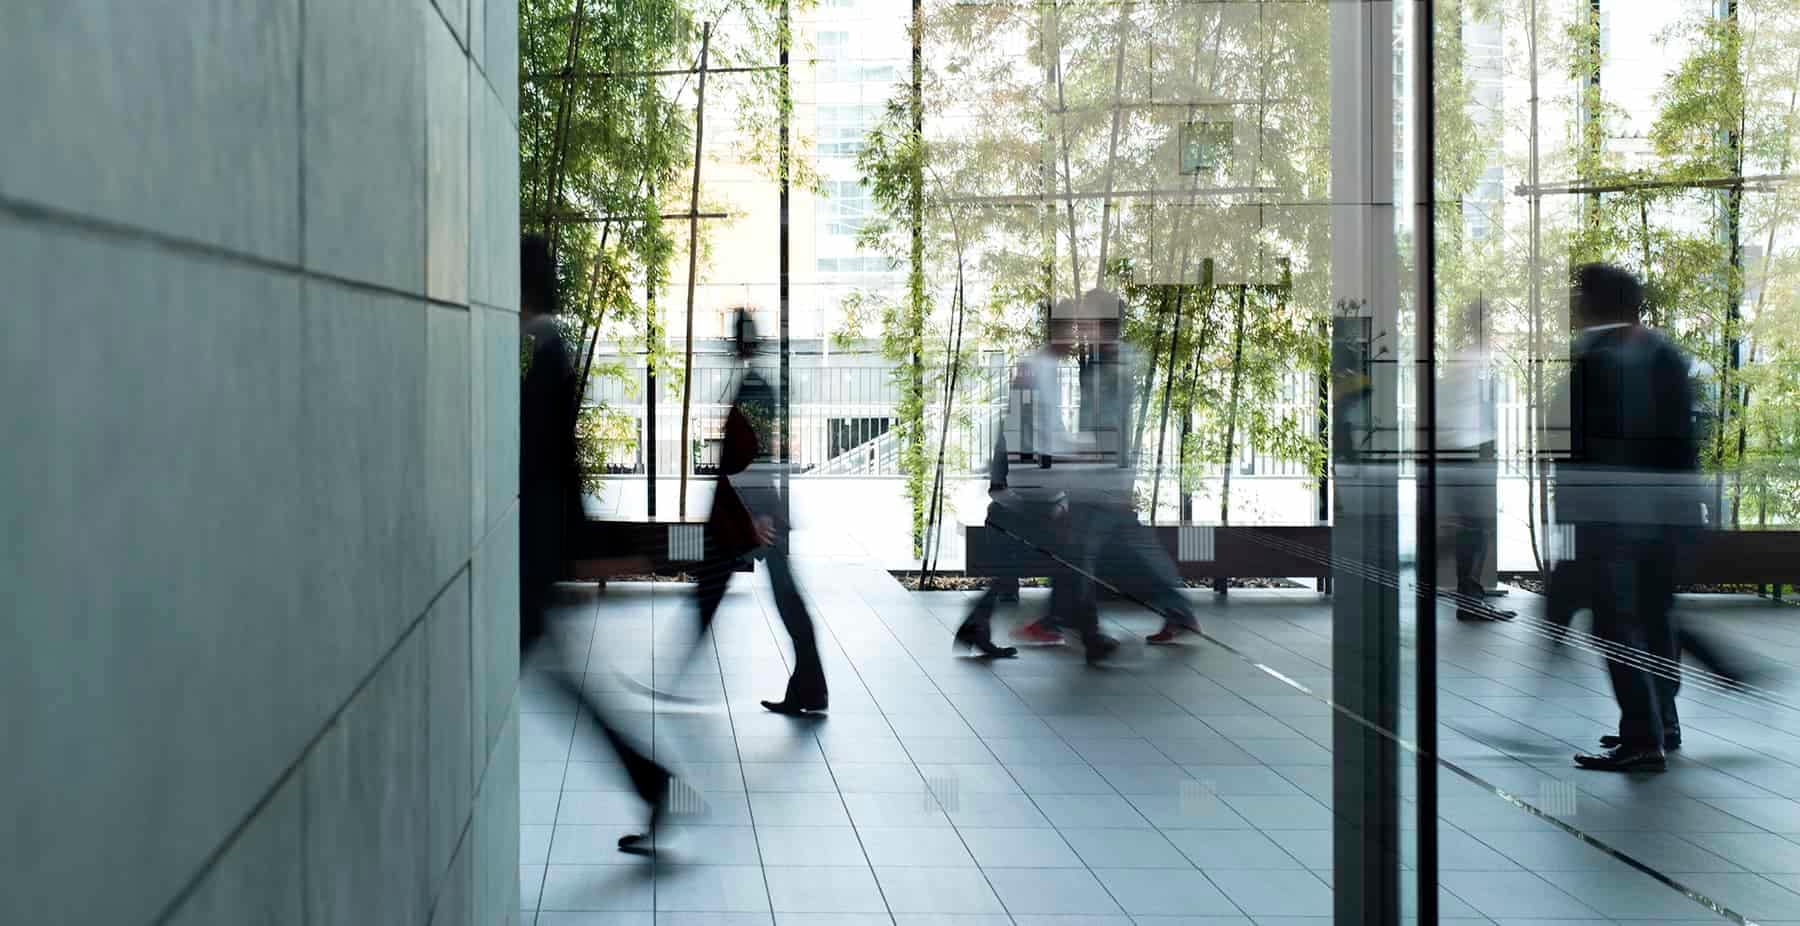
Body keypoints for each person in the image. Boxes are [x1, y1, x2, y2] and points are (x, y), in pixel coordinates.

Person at [516, 234, 672, 851]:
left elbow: (549, 460)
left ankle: (658, 785)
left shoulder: (551, 353)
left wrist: (567, 547)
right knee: (567, 686)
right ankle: (655, 785)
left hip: (536, 548)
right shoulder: (547, 349)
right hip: (539, 546)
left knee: (563, 686)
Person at [1559, 263, 1701, 773]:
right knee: (1656, 619)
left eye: (1579, 295)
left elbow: (1577, 452)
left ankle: (1643, 738)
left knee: (1616, 624)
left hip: (1612, 520)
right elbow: (1684, 443)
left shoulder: (1595, 359)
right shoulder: (1663, 353)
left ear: (1596, 303)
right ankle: (1662, 721)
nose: (1574, 304)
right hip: (1661, 518)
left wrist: (1569, 525)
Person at [682, 309, 829, 715]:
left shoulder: (755, 388)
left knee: (774, 596)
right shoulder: (755, 384)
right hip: (749, 515)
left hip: (751, 518)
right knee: (766, 594)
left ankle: (680, 674)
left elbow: (759, 455)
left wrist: (760, 515)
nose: (734, 344)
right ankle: (810, 689)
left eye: (735, 337)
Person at [1437, 299, 1515, 622]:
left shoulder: (1462, 357)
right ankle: (1468, 600)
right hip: (1468, 455)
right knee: (1476, 527)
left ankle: (1469, 598)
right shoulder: (1473, 358)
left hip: (1462, 454)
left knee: (1474, 527)